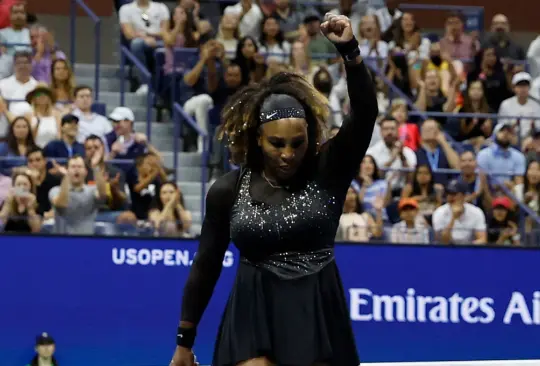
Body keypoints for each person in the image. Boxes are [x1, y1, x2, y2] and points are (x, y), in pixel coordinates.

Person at [171, 13, 378, 366]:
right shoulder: (227, 190)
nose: (287, 154)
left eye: (297, 144)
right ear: (256, 139)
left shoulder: (328, 169)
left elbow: (365, 114)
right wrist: (183, 343)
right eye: (276, 144)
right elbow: (206, 266)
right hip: (252, 312)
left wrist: (350, 51)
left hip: (316, 310)